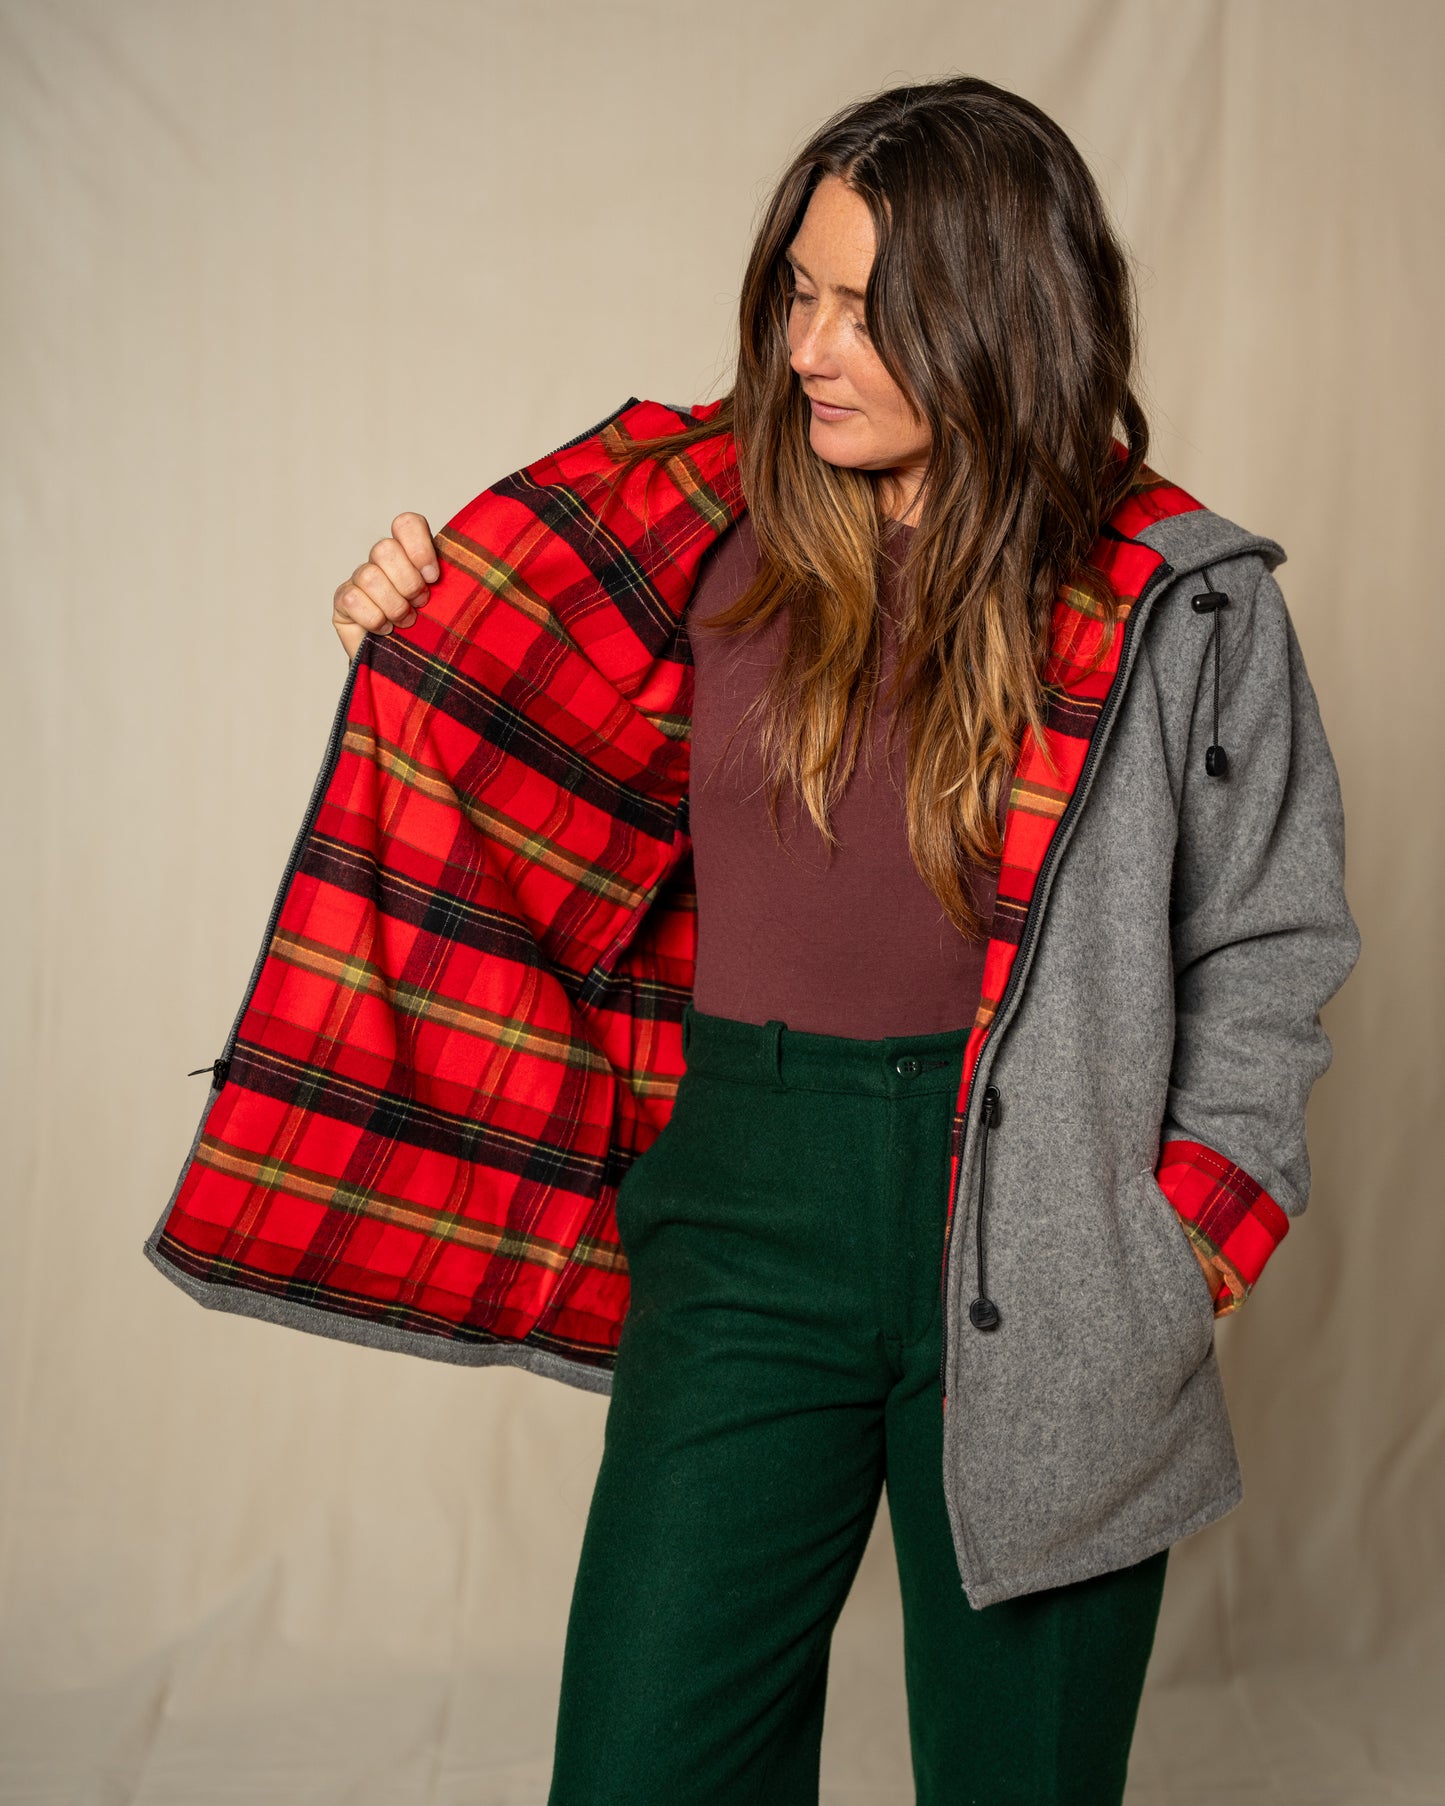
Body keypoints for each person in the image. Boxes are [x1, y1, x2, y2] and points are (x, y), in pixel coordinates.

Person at [148, 75, 1360, 1805]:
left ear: (999, 306)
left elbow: (1265, 938)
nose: (808, 343)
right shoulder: (680, 518)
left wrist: (1185, 1249)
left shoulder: (1183, 598)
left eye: (867, 305)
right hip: (742, 1208)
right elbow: (499, 762)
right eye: (799, 288)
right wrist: (411, 629)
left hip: (1050, 1229)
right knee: (645, 1766)